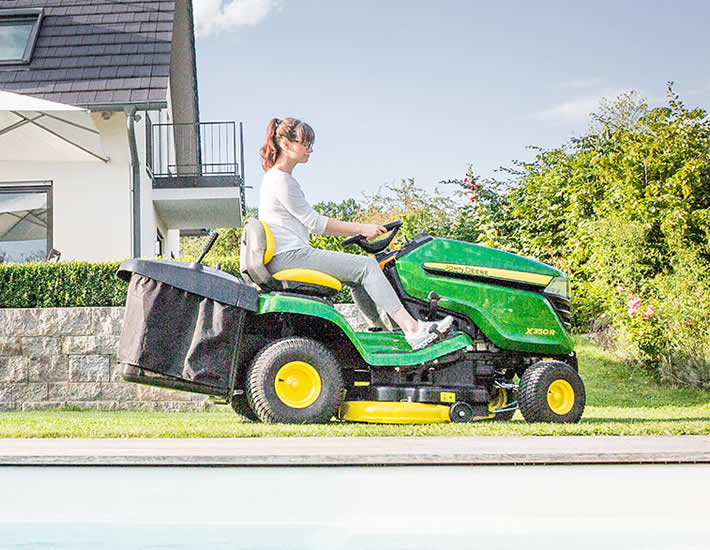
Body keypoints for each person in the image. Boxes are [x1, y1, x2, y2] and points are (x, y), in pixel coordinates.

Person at [258, 117, 453, 350]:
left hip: (288, 255)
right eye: (306, 143)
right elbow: (316, 224)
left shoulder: (277, 179)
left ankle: (379, 330)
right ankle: (412, 330)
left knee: (357, 278)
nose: (311, 149)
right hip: (289, 256)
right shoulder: (281, 180)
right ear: (287, 145)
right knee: (367, 267)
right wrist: (363, 228)